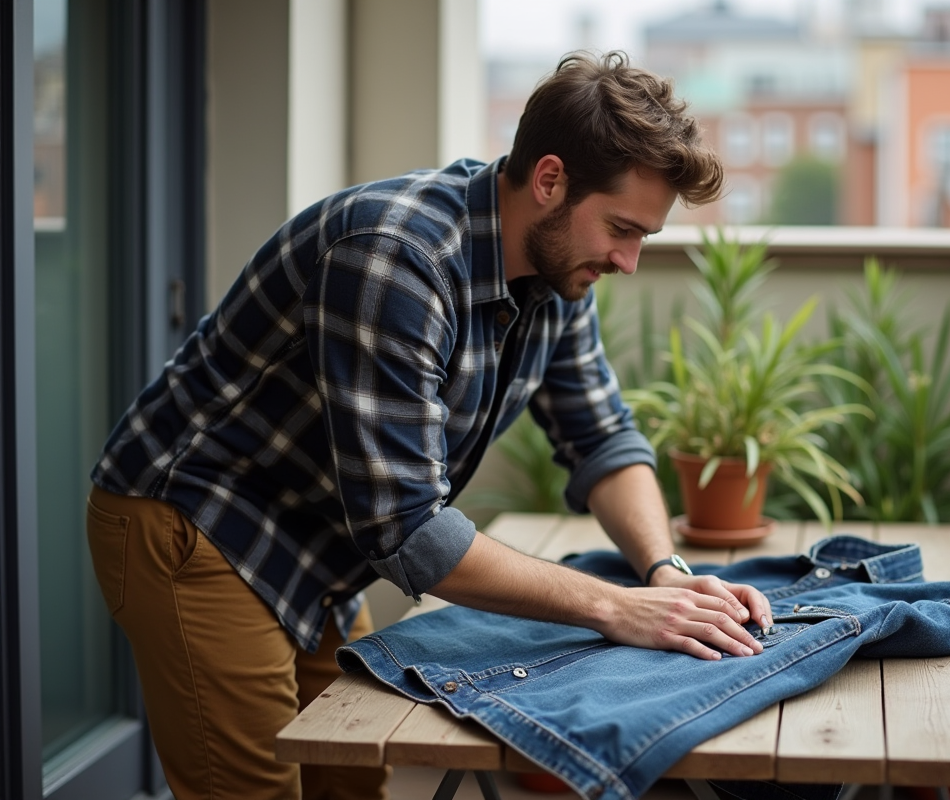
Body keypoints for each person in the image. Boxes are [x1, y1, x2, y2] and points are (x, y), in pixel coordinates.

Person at [85, 50, 775, 800]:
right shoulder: (397, 259)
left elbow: (602, 437)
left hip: (319, 541)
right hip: (199, 520)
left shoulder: (559, 275)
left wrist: (664, 575)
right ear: (550, 180)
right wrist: (614, 606)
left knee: (351, 781)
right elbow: (410, 533)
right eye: (621, 228)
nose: (628, 260)